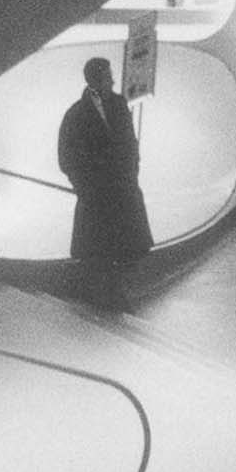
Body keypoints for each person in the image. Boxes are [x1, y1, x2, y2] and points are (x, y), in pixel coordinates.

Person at [57, 57, 154, 308]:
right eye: (108, 76)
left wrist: (131, 175)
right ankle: (109, 298)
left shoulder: (118, 105)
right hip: (97, 196)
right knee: (104, 250)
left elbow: (130, 145)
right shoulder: (76, 115)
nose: (112, 80)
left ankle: (114, 296)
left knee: (119, 250)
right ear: (96, 79)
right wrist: (86, 188)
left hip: (121, 191)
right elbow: (67, 158)